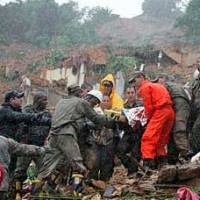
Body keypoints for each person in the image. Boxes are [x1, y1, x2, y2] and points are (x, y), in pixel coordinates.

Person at [37, 85, 117, 195]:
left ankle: (35, 191)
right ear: (83, 96)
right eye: (94, 103)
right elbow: (95, 118)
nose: (93, 105)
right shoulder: (81, 103)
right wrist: (112, 122)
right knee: (78, 166)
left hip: (53, 135)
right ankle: (76, 193)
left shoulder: (62, 101)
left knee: (47, 168)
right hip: (66, 136)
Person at [129, 72, 175, 169]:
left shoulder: (145, 88)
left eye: (134, 80)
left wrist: (148, 121)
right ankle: (162, 161)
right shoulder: (157, 86)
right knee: (162, 138)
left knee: (148, 137)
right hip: (170, 112)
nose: (134, 83)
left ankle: (148, 163)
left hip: (160, 112)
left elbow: (149, 107)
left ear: (141, 78)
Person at [153, 74, 193, 164]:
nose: (155, 84)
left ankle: (188, 155)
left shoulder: (165, 86)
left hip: (179, 105)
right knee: (173, 132)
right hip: (186, 106)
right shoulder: (179, 86)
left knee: (178, 131)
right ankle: (172, 158)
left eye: (156, 81)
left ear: (162, 79)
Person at [14, 91, 52, 184]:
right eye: (44, 100)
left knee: (44, 171)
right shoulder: (26, 110)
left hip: (40, 145)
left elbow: (51, 126)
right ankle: (16, 193)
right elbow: (20, 125)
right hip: (26, 145)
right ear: (37, 100)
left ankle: (38, 192)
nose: (46, 102)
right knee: (20, 171)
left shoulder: (47, 113)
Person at [0, 135, 48, 200]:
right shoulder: (4, 140)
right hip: (2, 184)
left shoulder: (4, 140)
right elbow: (23, 149)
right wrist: (41, 150)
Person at [116, 86, 144, 175]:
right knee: (120, 150)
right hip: (128, 132)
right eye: (128, 93)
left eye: (132, 93)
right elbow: (121, 125)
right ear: (126, 94)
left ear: (135, 93)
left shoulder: (141, 105)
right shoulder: (124, 106)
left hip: (139, 133)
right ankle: (131, 168)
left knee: (136, 153)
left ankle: (133, 172)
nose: (130, 95)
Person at [189, 57, 200, 154]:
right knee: (193, 134)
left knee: (196, 132)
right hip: (196, 110)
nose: (198, 63)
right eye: (197, 61)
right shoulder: (196, 79)